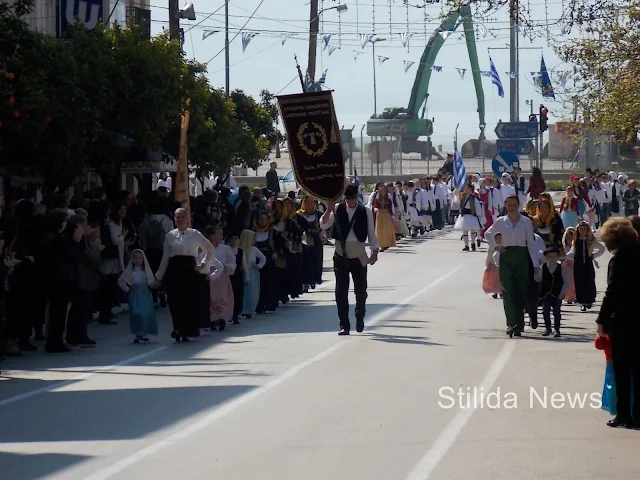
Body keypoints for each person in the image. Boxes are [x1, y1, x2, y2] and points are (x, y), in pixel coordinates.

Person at [596, 217, 640, 428]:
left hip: (623, 320)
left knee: (622, 369)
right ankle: (638, 415)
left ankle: (623, 414)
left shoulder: (619, 260)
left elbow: (611, 293)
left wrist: (602, 321)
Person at [320, 185, 379, 335]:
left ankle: (360, 317)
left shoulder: (365, 211)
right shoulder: (338, 208)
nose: (350, 201)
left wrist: (374, 250)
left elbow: (371, 231)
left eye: (352, 198)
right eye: (347, 198)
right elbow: (324, 224)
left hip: (358, 254)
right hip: (341, 253)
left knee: (360, 291)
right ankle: (344, 325)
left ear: (357, 197)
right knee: (341, 291)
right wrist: (328, 209)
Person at [154, 208, 216, 342]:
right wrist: (159, 277)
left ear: (188, 219)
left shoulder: (195, 234)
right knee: (175, 300)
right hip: (175, 269)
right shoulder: (170, 235)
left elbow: (210, 249)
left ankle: (188, 329)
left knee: (189, 300)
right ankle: (177, 328)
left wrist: (204, 264)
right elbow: (165, 257)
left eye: (183, 217)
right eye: (177, 217)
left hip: (190, 269)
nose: (180, 220)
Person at [485, 194, 540, 337]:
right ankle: (511, 324)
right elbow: (487, 234)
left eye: (514, 205)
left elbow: (531, 243)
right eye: (509, 205)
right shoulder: (501, 221)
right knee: (508, 291)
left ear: (519, 205)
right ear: (506, 206)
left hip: (522, 256)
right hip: (506, 257)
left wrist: (535, 263)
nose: (512, 208)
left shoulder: (526, 221)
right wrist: (496, 247)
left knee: (521, 291)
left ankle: (519, 323)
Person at [118, 249, 158, 344]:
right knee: (136, 314)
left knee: (145, 314)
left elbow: (151, 282)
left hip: (145, 295)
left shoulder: (146, 271)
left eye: (139, 258)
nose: (137, 260)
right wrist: (127, 289)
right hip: (135, 296)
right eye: (135, 258)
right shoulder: (130, 271)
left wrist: (156, 285)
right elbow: (121, 281)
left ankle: (143, 333)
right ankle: (137, 333)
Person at [566, 221, 605, 312]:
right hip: (578, 265)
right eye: (581, 229)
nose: (583, 231)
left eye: (585, 229)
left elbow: (602, 249)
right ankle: (582, 303)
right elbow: (572, 252)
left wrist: (593, 256)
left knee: (589, 282)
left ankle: (589, 301)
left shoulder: (591, 240)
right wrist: (565, 257)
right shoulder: (575, 241)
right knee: (580, 283)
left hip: (588, 265)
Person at [534, 246, 568, 337]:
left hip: (557, 294)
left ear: (558, 257)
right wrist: (536, 273)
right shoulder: (543, 267)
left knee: (556, 311)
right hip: (545, 294)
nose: (552, 258)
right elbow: (538, 279)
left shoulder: (561, 268)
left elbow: (566, 281)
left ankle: (557, 329)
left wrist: (563, 292)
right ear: (546, 257)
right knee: (545, 310)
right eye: (550, 256)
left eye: (554, 256)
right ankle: (548, 328)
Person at [454, 183, 485, 251]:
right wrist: (457, 189)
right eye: (465, 188)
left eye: (468, 188)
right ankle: (466, 245)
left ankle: (473, 243)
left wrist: (479, 215)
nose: (466, 190)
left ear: (471, 190)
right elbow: (456, 199)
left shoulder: (474, 198)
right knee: (464, 231)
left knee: (472, 230)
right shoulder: (462, 196)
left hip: (472, 215)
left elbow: (477, 207)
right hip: (464, 215)